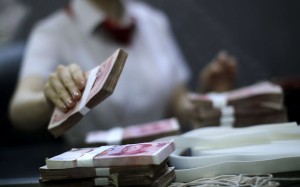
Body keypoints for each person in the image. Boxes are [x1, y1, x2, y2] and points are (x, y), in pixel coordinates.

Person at [9, 0, 236, 146]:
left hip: (164, 163)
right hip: (94, 172)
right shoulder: (52, 32)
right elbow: (19, 110)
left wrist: (205, 100)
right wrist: (49, 98)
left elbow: (176, 101)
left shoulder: (153, 21)